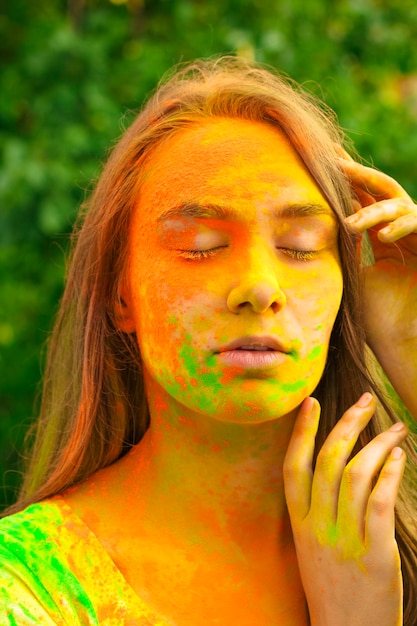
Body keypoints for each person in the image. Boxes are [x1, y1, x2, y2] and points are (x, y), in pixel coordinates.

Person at [1, 56, 416, 626]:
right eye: (200, 245)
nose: (258, 287)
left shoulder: (398, 556)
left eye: (299, 245)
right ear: (120, 292)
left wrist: (410, 345)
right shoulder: (28, 585)